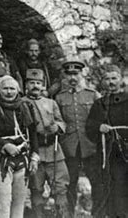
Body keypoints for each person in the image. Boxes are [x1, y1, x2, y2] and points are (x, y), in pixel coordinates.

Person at [0, 75, 39, 218]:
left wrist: (35, 156)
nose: (9, 92)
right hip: (1, 157)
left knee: (19, 201)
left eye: (12, 89)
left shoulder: (25, 106)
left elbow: (32, 132)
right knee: (3, 201)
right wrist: (4, 145)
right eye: (5, 88)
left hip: (22, 157)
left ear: (18, 90)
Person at [55, 60, 101, 217]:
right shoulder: (60, 98)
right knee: (70, 182)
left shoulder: (93, 94)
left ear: (82, 74)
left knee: (96, 181)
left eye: (75, 74)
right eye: (69, 74)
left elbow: (101, 118)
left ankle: (98, 213)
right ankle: (69, 214)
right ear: (65, 76)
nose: (72, 77)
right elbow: (58, 119)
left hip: (90, 145)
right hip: (69, 146)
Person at [22, 69, 69, 218]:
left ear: (43, 85)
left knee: (61, 188)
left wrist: (58, 127)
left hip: (54, 151)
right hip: (35, 153)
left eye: (38, 83)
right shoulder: (21, 103)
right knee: (36, 189)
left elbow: (61, 121)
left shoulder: (51, 103)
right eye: (31, 83)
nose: (35, 86)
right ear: (26, 85)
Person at [86, 65, 128, 218]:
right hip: (109, 154)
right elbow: (89, 128)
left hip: (126, 152)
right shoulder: (100, 104)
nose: (111, 82)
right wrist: (99, 127)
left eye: (114, 78)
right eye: (107, 79)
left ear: (121, 79)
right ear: (102, 82)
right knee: (112, 187)